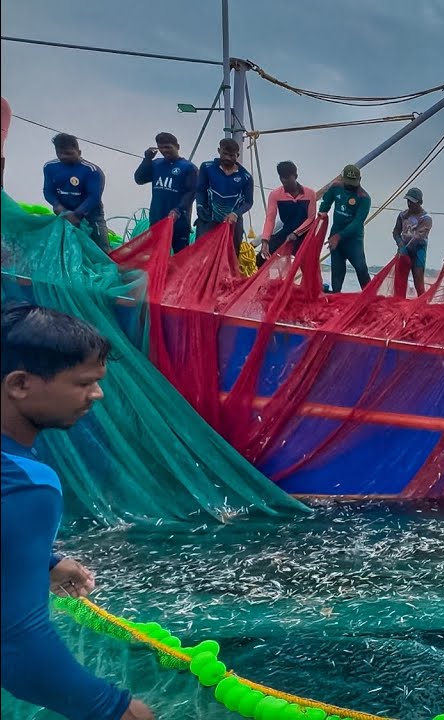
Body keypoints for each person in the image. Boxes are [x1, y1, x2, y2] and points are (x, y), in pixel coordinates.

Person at [1, 303, 156, 720]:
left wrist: (42, 560)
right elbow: (16, 639)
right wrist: (111, 708)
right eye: (84, 383)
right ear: (20, 384)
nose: (97, 394)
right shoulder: (27, 484)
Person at [133, 131, 198, 254]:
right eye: (161, 148)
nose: (164, 151)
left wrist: (178, 210)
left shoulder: (189, 168)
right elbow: (139, 179)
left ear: (177, 147)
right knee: (157, 254)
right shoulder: (156, 164)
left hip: (178, 221)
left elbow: (192, 193)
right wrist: (147, 159)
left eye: (168, 147)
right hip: (157, 219)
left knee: (180, 255)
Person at [42, 134, 109, 251]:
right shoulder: (50, 167)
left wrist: (77, 214)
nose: (63, 157)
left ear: (79, 152)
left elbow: (94, 197)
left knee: (102, 249)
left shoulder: (92, 171)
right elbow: (48, 191)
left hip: (91, 215)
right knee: (62, 248)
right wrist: (57, 205)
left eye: (68, 153)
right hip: (64, 213)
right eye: (59, 153)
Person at [195, 138, 253, 264]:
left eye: (231, 155)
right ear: (218, 151)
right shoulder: (207, 167)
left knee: (231, 256)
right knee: (201, 253)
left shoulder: (246, 177)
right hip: (209, 217)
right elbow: (200, 190)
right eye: (224, 154)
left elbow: (248, 202)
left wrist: (235, 214)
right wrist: (200, 206)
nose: (227, 158)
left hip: (232, 221)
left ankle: (226, 276)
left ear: (237, 155)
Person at [317, 164, 372, 292]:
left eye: (353, 183)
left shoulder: (364, 198)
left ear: (359, 180)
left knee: (361, 268)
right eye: (348, 183)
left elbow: (358, 222)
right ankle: (336, 294)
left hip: (353, 239)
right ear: (342, 178)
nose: (350, 186)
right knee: (337, 269)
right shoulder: (336, 187)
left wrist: (339, 236)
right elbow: (325, 203)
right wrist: (322, 212)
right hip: (335, 236)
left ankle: (370, 295)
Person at [259, 161, 317, 264]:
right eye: (281, 177)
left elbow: (311, 218)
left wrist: (296, 233)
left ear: (295, 176)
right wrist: (265, 240)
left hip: (305, 235)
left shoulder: (310, 193)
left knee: (307, 263)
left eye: (287, 177)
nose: (284, 180)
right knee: (261, 258)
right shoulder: (275, 194)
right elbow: (270, 218)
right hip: (287, 232)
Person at [392, 187, 432, 296]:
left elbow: (418, 237)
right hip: (403, 249)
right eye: (408, 201)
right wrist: (400, 244)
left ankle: (422, 303)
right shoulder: (402, 215)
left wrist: (405, 248)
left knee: (418, 281)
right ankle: (398, 302)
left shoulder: (426, 218)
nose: (409, 204)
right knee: (400, 282)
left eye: (412, 202)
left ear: (420, 202)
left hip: (418, 250)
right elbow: (396, 232)